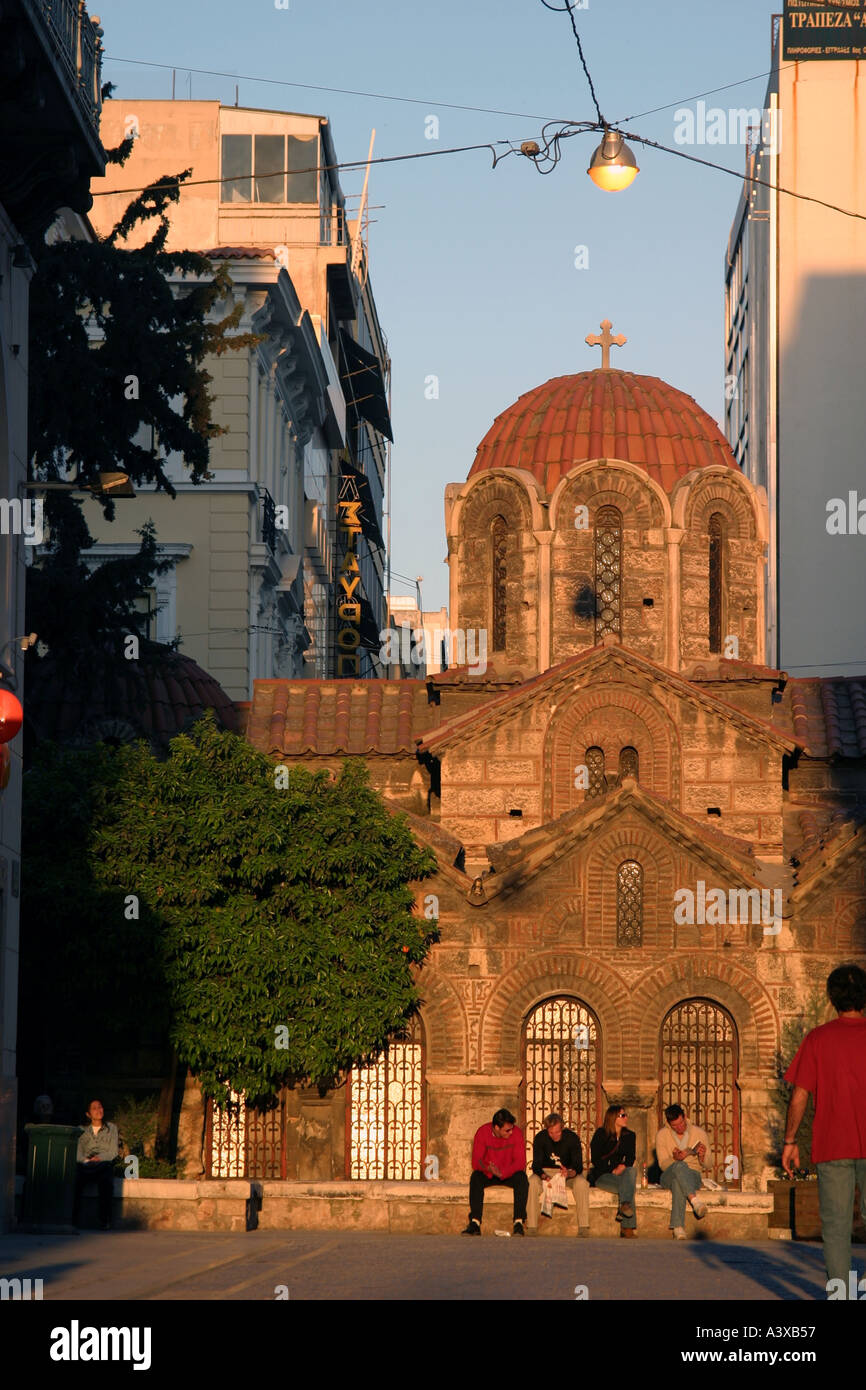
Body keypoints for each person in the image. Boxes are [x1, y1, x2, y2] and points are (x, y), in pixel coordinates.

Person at [782, 963, 866, 1297]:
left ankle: (841, 1296)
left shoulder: (818, 1039)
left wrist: (789, 1141)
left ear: (831, 998)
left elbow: (799, 1095)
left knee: (836, 1230)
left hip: (832, 1146)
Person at [462, 1108, 528, 1236]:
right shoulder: (482, 1132)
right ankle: (475, 1222)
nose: (511, 1132)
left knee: (522, 1178)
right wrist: (488, 1168)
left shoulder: (517, 1133)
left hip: (508, 1173)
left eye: (512, 1128)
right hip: (490, 1173)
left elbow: (520, 1162)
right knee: (476, 1178)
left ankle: (519, 1222)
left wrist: (503, 1172)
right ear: (496, 1128)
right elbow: (476, 1162)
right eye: (507, 1130)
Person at [526, 1112, 590, 1236]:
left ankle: (584, 1226)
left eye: (557, 1132)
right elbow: (536, 1165)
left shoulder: (572, 1138)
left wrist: (569, 1173)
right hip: (546, 1171)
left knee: (582, 1183)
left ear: (562, 1128)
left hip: (567, 1172)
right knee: (532, 1183)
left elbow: (578, 1165)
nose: (554, 1135)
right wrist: (544, 1176)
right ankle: (532, 1227)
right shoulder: (540, 1138)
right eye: (551, 1133)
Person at [655, 1103, 711, 1239]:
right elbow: (662, 1164)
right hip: (669, 1173)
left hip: (693, 1174)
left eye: (681, 1123)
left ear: (685, 1117)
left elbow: (708, 1164)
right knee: (679, 1167)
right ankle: (695, 1201)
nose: (679, 1128)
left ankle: (678, 1227)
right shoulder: (662, 1135)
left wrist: (702, 1156)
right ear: (669, 1124)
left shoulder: (699, 1133)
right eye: (675, 1126)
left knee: (677, 1182)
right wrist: (675, 1159)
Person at [589, 1104, 638, 1237]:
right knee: (629, 1187)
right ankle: (627, 1228)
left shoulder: (630, 1135)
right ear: (613, 1118)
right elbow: (596, 1159)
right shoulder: (601, 1134)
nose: (626, 1118)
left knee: (631, 1172)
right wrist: (612, 1170)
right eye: (622, 1115)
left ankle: (624, 1205)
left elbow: (631, 1157)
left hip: (622, 1174)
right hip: (603, 1175)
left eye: (625, 1115)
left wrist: (622, 1166)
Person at [72, 1099, 119, 1230]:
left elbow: (113, 1152)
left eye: (100, 1107)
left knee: (106, 1183)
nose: (99, 1110)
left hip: (103, 1164)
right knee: (75, 1181)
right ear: (88, 1114)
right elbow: (78, 1152)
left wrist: (99, 1158)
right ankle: (72, 1220)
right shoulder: (81, 1130)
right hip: (86, 1164)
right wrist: (87, 1161)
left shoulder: (112, 1128)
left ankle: (104, 1221)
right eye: (94, 1108)